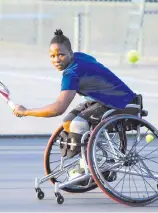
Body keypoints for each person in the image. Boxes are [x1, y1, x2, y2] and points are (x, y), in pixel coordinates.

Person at [13, 29, 137, 158]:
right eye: (52, 56)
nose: (57, 60)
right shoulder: (79, 57)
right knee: (68, 122)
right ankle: (94, 152)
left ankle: (88, 166)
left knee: (78, 124)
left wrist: (26, 111)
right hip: (103, 100)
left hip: (121, 103)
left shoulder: (71, 74)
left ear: (70, 53)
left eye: (61, 55)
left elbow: (58, 108)